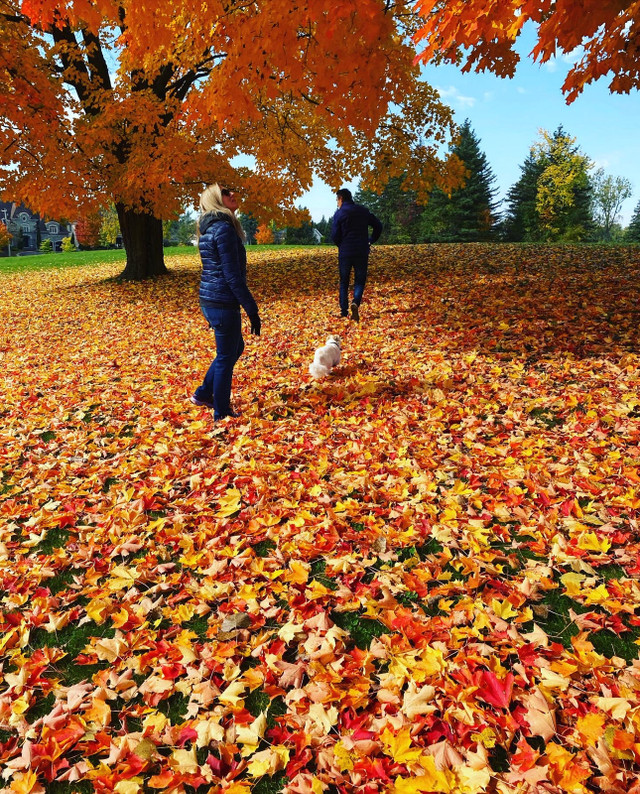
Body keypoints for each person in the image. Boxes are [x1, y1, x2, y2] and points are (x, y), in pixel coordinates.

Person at [191, 184, 261, 421]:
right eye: (226, 192)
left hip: (211, 299)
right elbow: (232, 276)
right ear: (215, 199)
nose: (233, 194)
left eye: (232, 190)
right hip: (221, 302)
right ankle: (221, 412)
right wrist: (252, 309)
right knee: (225, 357)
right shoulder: (223, 229)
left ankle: (202, 393)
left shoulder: (212, 227)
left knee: (233, 349)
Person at [331, 188, 382, 321]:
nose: (337, 203)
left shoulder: (339, 213)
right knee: (359, 280)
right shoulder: (363, 211)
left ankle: (343, 312)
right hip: (361, 251)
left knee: (344, 282)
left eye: (337, 200)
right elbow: (378, 225)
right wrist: (371, 240)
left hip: (345, 252)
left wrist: (341, 245)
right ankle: (356, 302)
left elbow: (335, 235)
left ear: (341, 198)